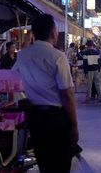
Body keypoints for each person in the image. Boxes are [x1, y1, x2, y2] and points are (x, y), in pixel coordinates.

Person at [13, 14, 78, 173]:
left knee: (43, 162)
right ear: (53, 33)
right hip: (56, 118)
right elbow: (66, 93)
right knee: (60, 163)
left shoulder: (22, 55)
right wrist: (74, 124)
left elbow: (13, 80)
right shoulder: (57, 56)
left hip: (35, 117)